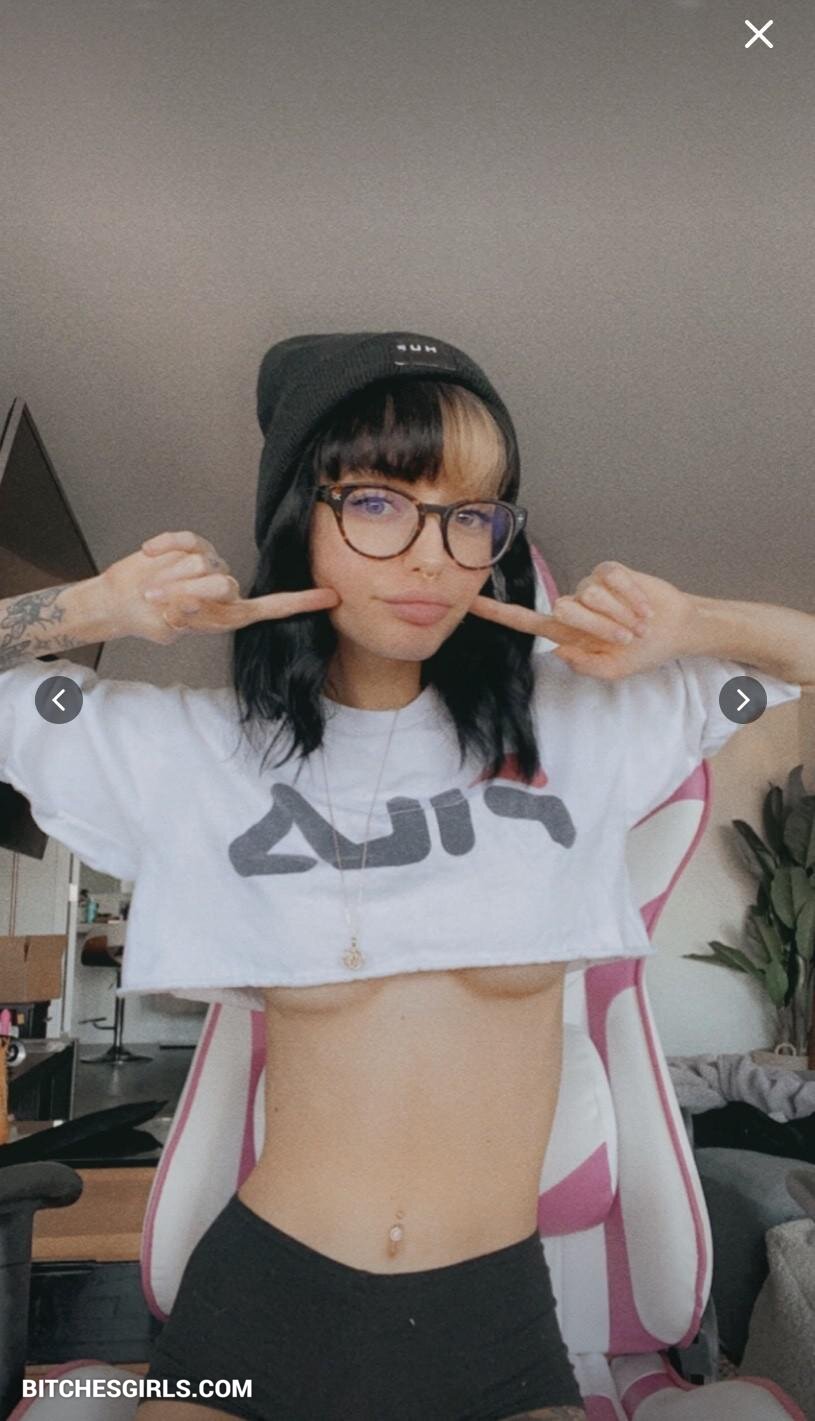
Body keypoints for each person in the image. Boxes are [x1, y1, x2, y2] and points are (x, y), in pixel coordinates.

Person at [0, 330, 811, 1421]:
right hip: (252, 1318)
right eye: (379, 503)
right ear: (301, 517)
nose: (432, 556)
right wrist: (94, 609)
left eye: (468, 513)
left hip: (496, 1330)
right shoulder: (193, 754)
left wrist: (693, 626)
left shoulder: (584, 732)